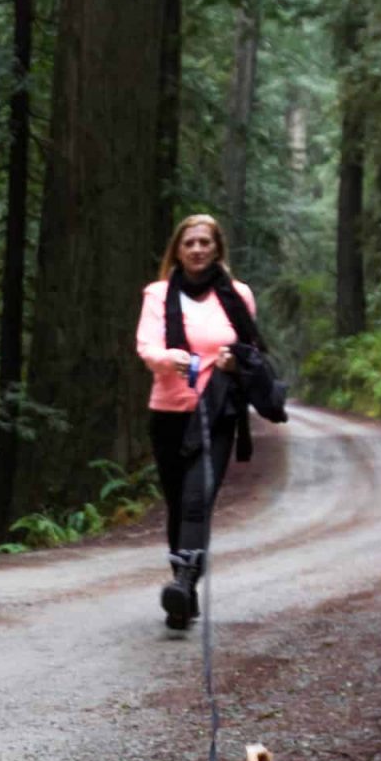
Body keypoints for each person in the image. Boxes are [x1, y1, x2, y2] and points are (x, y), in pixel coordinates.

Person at [134, 214, 268, 631]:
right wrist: (166, 358)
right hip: (169, 411)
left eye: (204, 242)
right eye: (189, 243)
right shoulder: (158, 294)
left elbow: (253, 351)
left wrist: (235, 361)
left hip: (219, 411)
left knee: (198, 499)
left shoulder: (238, 294)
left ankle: (184, 579)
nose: (196, 250)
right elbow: (146, 344)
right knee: (178, 503)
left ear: (217, 248)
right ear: (177, 249)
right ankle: (184, 591)